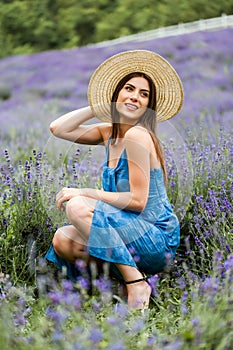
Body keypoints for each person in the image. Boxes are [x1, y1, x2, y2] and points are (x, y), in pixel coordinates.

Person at [45, 50, 184, 309]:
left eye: (144, 94)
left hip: (155, 239)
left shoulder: (138, 136)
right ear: (117, 94)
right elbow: (58, 128)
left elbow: (137, 201)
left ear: (148, 105)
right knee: (63, 240)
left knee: (77, 205)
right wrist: (100, 106)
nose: (135, 97)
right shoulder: (110, 132)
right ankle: (117, 285)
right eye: (129, 89)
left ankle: (136, 284)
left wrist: (85, 192)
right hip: (129, 233)